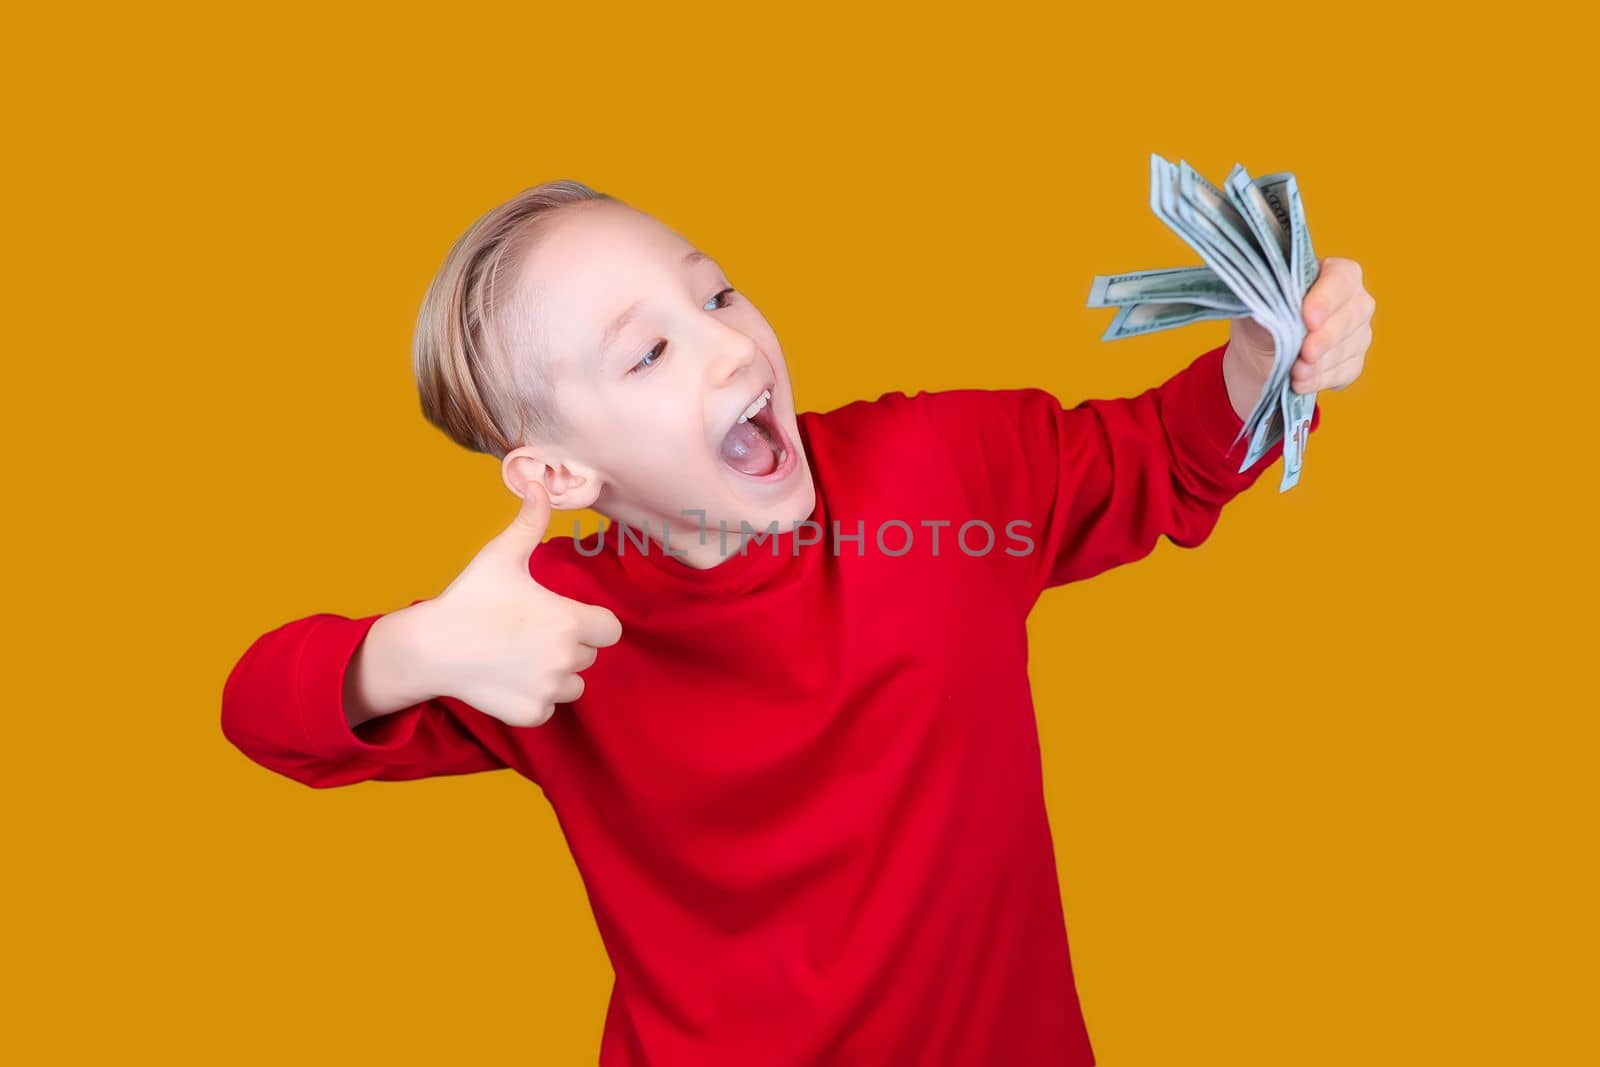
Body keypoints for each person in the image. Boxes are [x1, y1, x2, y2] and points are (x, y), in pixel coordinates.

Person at [220, 180, 1375, 1065]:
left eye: (716, 292)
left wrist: (1266, 356)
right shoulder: (546, 635)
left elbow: (1167, 459)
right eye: (651, 350)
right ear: (557, 469)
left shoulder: (939, 473)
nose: (731, 343)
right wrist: (419, 647)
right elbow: (264, 713)